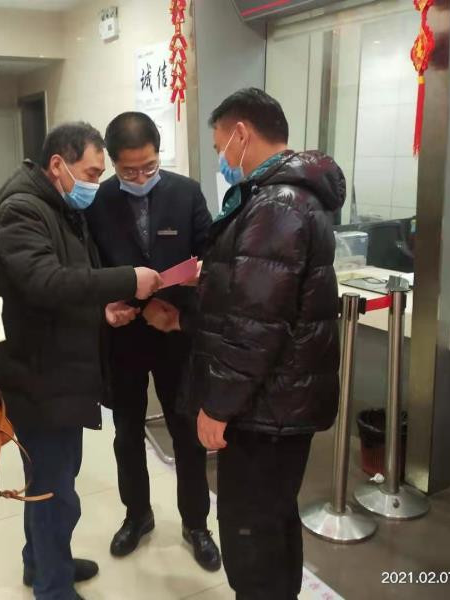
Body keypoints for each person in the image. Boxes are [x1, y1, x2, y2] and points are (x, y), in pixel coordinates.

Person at [145, 88, 345, 599]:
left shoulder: (276, 204)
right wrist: (201, 296)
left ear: (241, 133)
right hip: (281, 399)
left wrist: (218, 407)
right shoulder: (291, 197)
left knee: (250, 534)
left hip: (264, 408)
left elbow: (257, 325)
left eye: (219, 147)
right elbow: (261, 300)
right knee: (274, 522)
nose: (222, 159)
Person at [0, 122, 162, 600]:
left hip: (60, 374)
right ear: (57, 165)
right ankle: (53, 588)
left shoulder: (61, 208)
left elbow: (66, 286)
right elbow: (45, 282)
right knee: (55, 493)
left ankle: (42, 563)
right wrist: (127, 280)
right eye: (90, 173)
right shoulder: (21, 212)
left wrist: (102, 311)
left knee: (48, 483)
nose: (95, 184)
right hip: (38, 378)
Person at [84, 112, 220, 570]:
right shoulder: (98, 201)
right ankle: (137, 515)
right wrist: (109, 305)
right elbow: (89, 268)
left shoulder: (186, 193)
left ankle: (196, 524)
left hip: (175, 332)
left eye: (149, 167)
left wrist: (191, 295)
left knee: (186, 430)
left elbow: (211, 254)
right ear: (113, 163)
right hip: (123, 332)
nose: (141, 178)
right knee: (127, 432)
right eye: (130, 171)